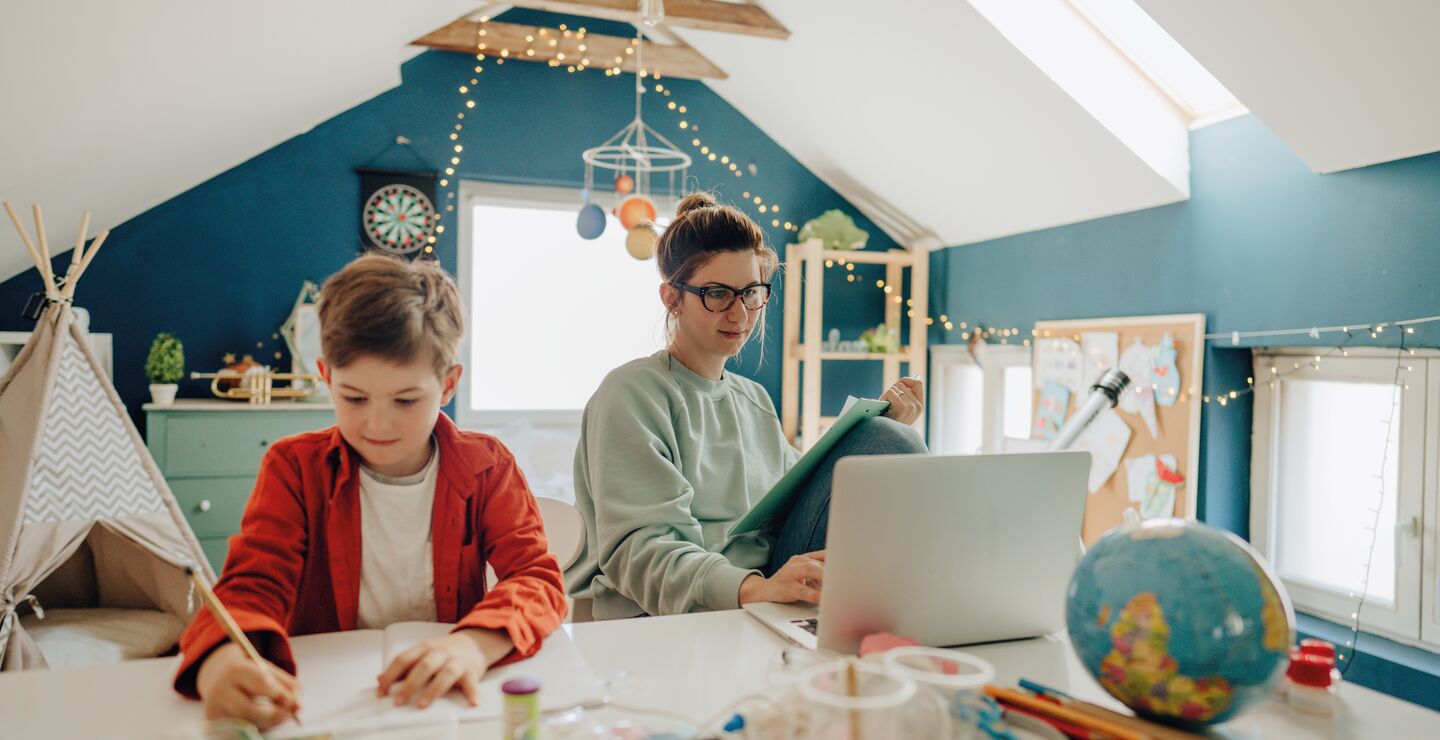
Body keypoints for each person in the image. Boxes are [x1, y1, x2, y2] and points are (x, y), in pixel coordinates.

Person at [172, 254, 567, 729]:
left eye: (406, 400)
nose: (378, 424)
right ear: (326, 377)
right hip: (323, 702)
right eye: (354, 398)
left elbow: (535, 579)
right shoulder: (293, 468)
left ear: (447, 385)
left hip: (439, 703)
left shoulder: (487, 466)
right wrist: (219, 664)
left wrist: (472, 646)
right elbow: (250, 588)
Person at [566, 192, 926, 620]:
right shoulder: (632, 393)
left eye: (751, 293)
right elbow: (642, 551)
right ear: (671, 297)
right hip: (663, 613)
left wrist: (877, 430)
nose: (740, 314)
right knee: (887, 441)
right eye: (717, 294)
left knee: (887, 439)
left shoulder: (754, 399)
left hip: (760, 590)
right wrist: (756, 588)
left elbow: (798, 498)